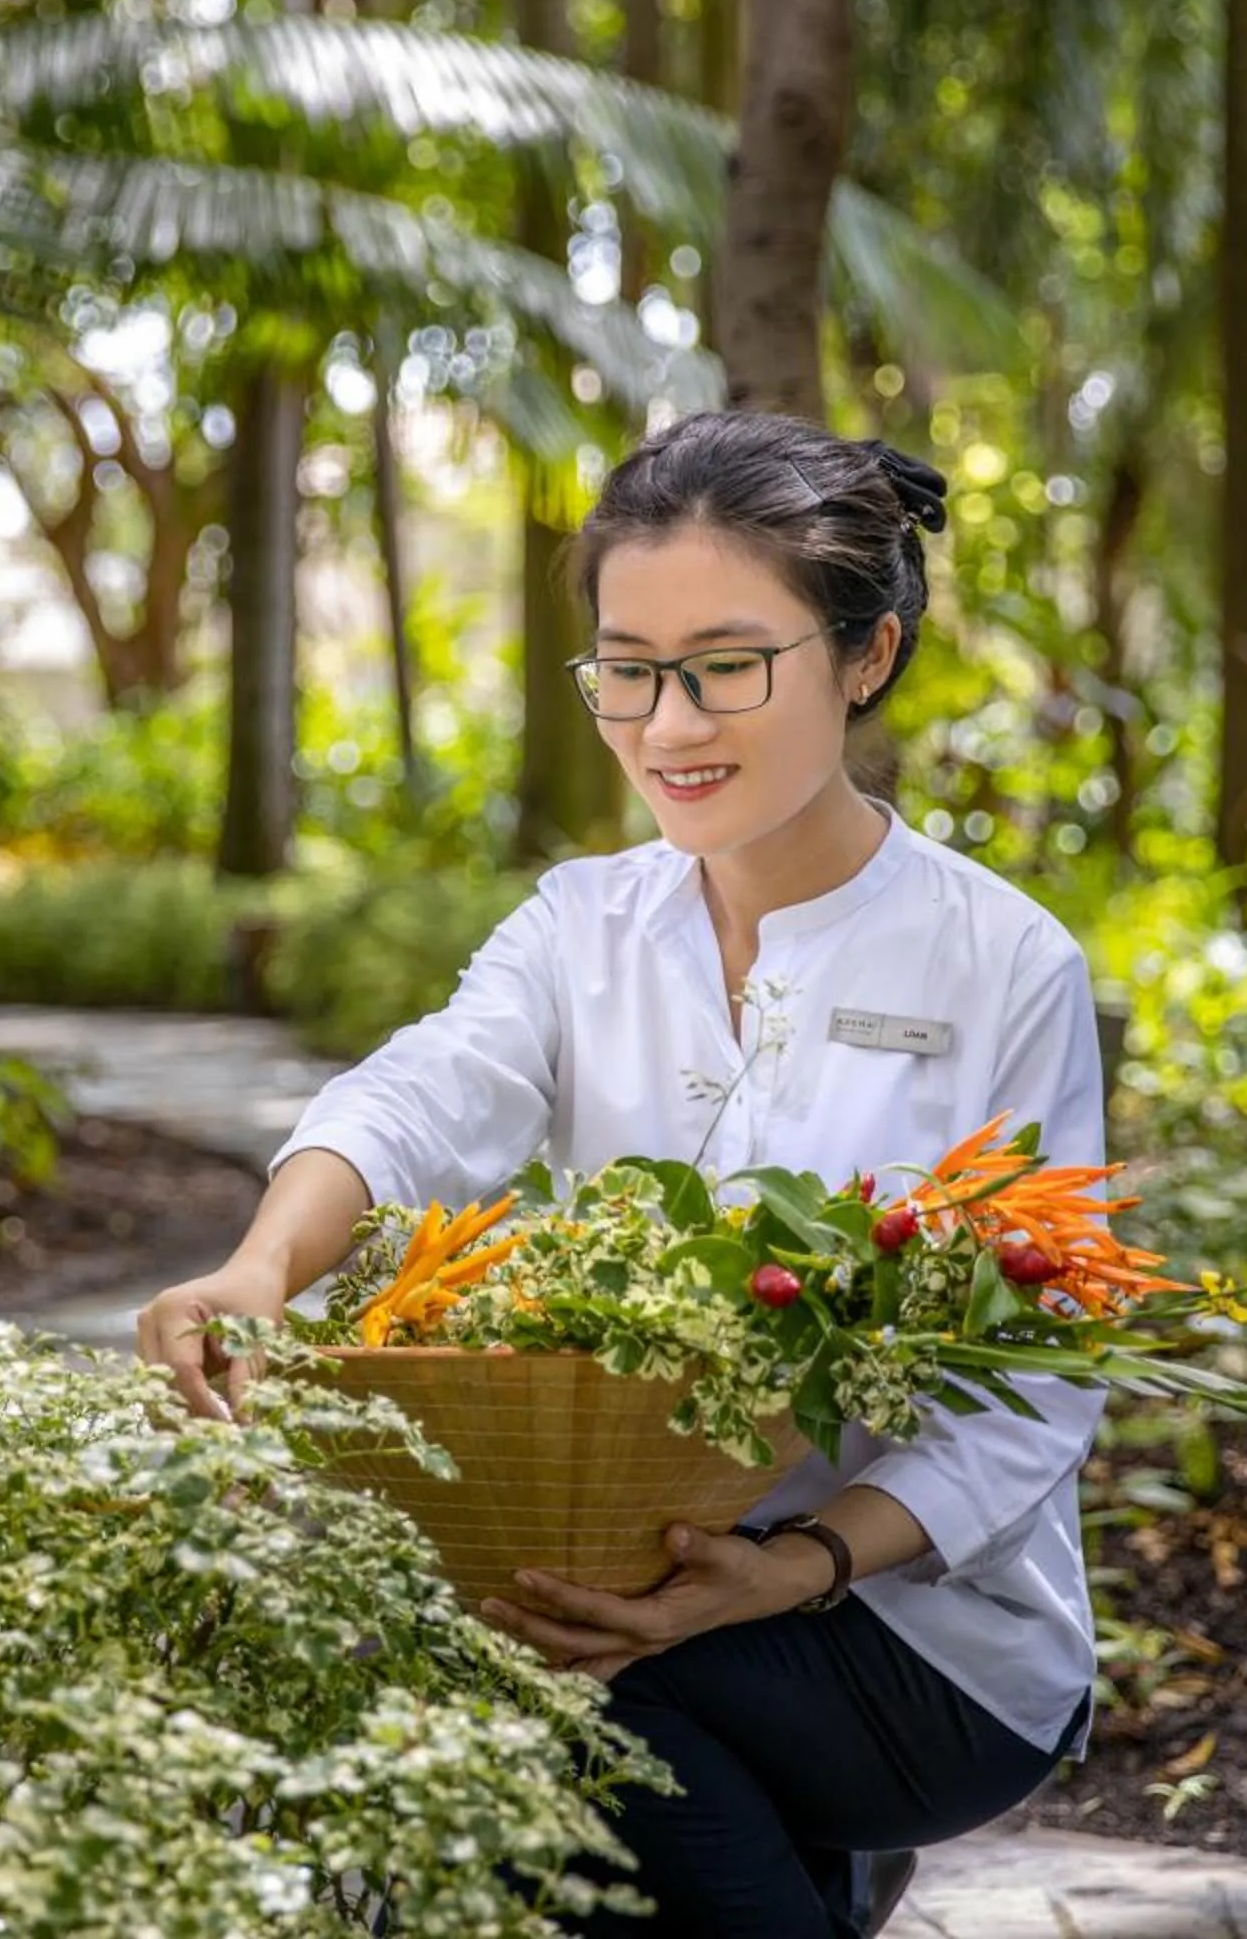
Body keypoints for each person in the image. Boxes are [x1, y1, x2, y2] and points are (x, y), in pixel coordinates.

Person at [136, 409, 1103, 1938]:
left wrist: (785, 1570)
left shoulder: (1001, 966)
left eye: (725, 665)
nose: (668, 726)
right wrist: (260, 1270)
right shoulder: (586, 926)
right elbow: (428, 1092)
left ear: (866, 656)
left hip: (921, 1636)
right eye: (628, 669)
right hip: (634, 1572)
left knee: (551, 1697)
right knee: (538, 1738)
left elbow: (1039, 1389)